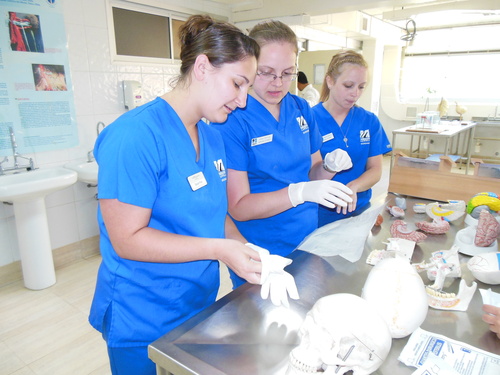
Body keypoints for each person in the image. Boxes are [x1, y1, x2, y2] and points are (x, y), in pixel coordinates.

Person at [88, 15, 263, 375]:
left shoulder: (212, 134)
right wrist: (219, 249)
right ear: (202, 67)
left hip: (195, 305)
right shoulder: (135, 137)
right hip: (143, 313)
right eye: (237, 84)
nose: (243, 101)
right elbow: (128, 239)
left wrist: (244, 249)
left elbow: (216, 212)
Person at [212, 20, 353, 288]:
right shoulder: (233, 118)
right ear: (250, 66)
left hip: (307, 238)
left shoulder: (300, 108)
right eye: (266, 72)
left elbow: (313, 171)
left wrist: (329, 168)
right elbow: (238, 207)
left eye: (287, 73)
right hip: (261, 249)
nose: (278, 83)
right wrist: (298, 193)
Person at [313, 50, 392, 227]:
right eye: (348, 85)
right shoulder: (311, 120)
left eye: (361, 87)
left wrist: (354, 187)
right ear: (330, 81)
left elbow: (375, 169)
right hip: (319, 213)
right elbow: (308, 173)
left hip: (359, 210)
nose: (355, 93)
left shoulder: (369, 121)